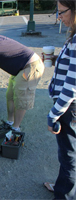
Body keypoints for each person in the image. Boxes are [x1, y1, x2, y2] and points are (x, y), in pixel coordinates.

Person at [43, 0, 76, 199]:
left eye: (61, 11)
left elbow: (72, 87)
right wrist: (56, 60)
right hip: (68, 107)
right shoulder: (73, 37)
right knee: (67, 153)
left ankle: (65, 195)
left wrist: (53, 115)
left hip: (68, 108)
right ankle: (62, 186)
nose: (59, 16)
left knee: (69, 155)